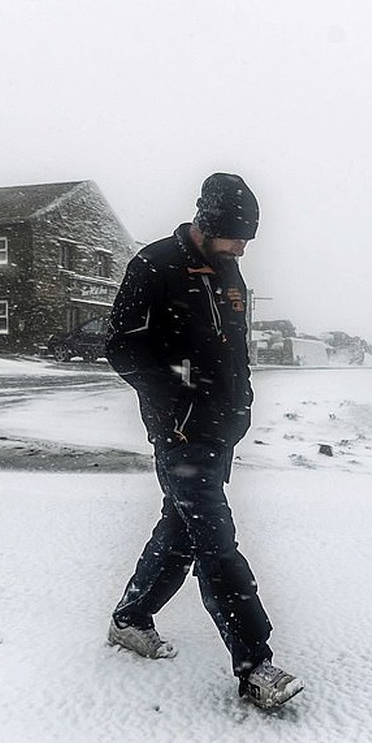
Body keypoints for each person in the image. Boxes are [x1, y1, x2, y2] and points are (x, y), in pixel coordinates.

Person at [103, 172, 304, 710]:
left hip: (221, 429)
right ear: (208, 223)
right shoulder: (155, 265)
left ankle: (131, 618)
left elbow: (233, 348)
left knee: (183, 530)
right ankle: (255, 665)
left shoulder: (231, 272)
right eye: (236, 236)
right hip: (179, 430)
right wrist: (179, 387)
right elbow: (121, 347)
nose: (242, 247)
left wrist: (241, 403)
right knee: (217, 542)